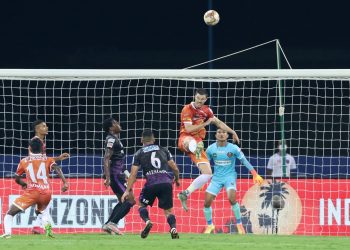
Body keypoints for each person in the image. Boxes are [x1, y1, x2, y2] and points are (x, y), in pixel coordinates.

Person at [177, 88, 240, 211]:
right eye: (198, 98)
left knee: (207, 174)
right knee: (190, 142)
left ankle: (185, 194)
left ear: (206, 99)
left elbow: (218, 122)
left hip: (199, 144)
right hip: (186, 138)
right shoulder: (187, 109)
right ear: (194, 97)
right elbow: (189, 129)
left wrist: (232, 132)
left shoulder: (207, 110)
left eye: (202, 99)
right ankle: (191, 146)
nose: (199, 101)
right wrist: (206, 124)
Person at [1, 138, 68, 239]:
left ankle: (7, 234)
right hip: (46, 193)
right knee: (41, 211)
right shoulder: (48, 159)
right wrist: (65, 183)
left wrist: (23, 184)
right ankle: (47, 227)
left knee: (10, 213)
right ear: (42, 148)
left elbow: (17, 178)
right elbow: (57, 168)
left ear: (29, 148)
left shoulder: (24, 161)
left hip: (32, 193)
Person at [121, 129, 180, 239]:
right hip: (166, 183)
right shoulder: (164, 150)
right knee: (168, 211)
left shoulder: (139, 153)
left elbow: (133, 175)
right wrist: (177, 179)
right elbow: (175, 168)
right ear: (154, 139)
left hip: (151, 183)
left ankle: (148, 221)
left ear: (141, 140)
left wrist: (127, 190)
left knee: (141, 205)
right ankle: (173, 228)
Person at [203, 129, 264, 234]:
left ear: (227, 135)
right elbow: (205, 164)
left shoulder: (233, 148)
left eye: (224, 132)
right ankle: (210, 225)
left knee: (232, 199)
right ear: (215, 135)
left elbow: (244, 160)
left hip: (229, 177)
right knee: (207, 202)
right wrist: (202, 179)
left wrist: (254, 173)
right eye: (219, 132)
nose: (221, 134)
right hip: (216, 178)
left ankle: (239, 224)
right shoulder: (210, 149)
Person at [30, 120, 70, 234]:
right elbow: (37, 160)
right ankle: (45, 228)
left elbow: (43, 159)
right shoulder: (35, 142)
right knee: (45, 201)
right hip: (37, 178)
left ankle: (37, 227)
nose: (46, 127)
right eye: (43, 126)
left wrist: (58, 158)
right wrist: (64, 181)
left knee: (45, 202)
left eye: (46, 125)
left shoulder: (40, 142)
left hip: (39, 177)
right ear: (37, 129)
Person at [102, 117, 136, 235]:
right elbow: (106, 158)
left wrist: (128, 175)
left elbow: (120, 162)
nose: (119, 124)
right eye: (116, 123)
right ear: (111, 128)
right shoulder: (111, 139)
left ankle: (108, 224)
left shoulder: (116, 139)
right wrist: (108, 177)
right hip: (115, 175)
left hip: (119, 174)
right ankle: (112, 223)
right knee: (130, 200)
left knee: (123, 201)